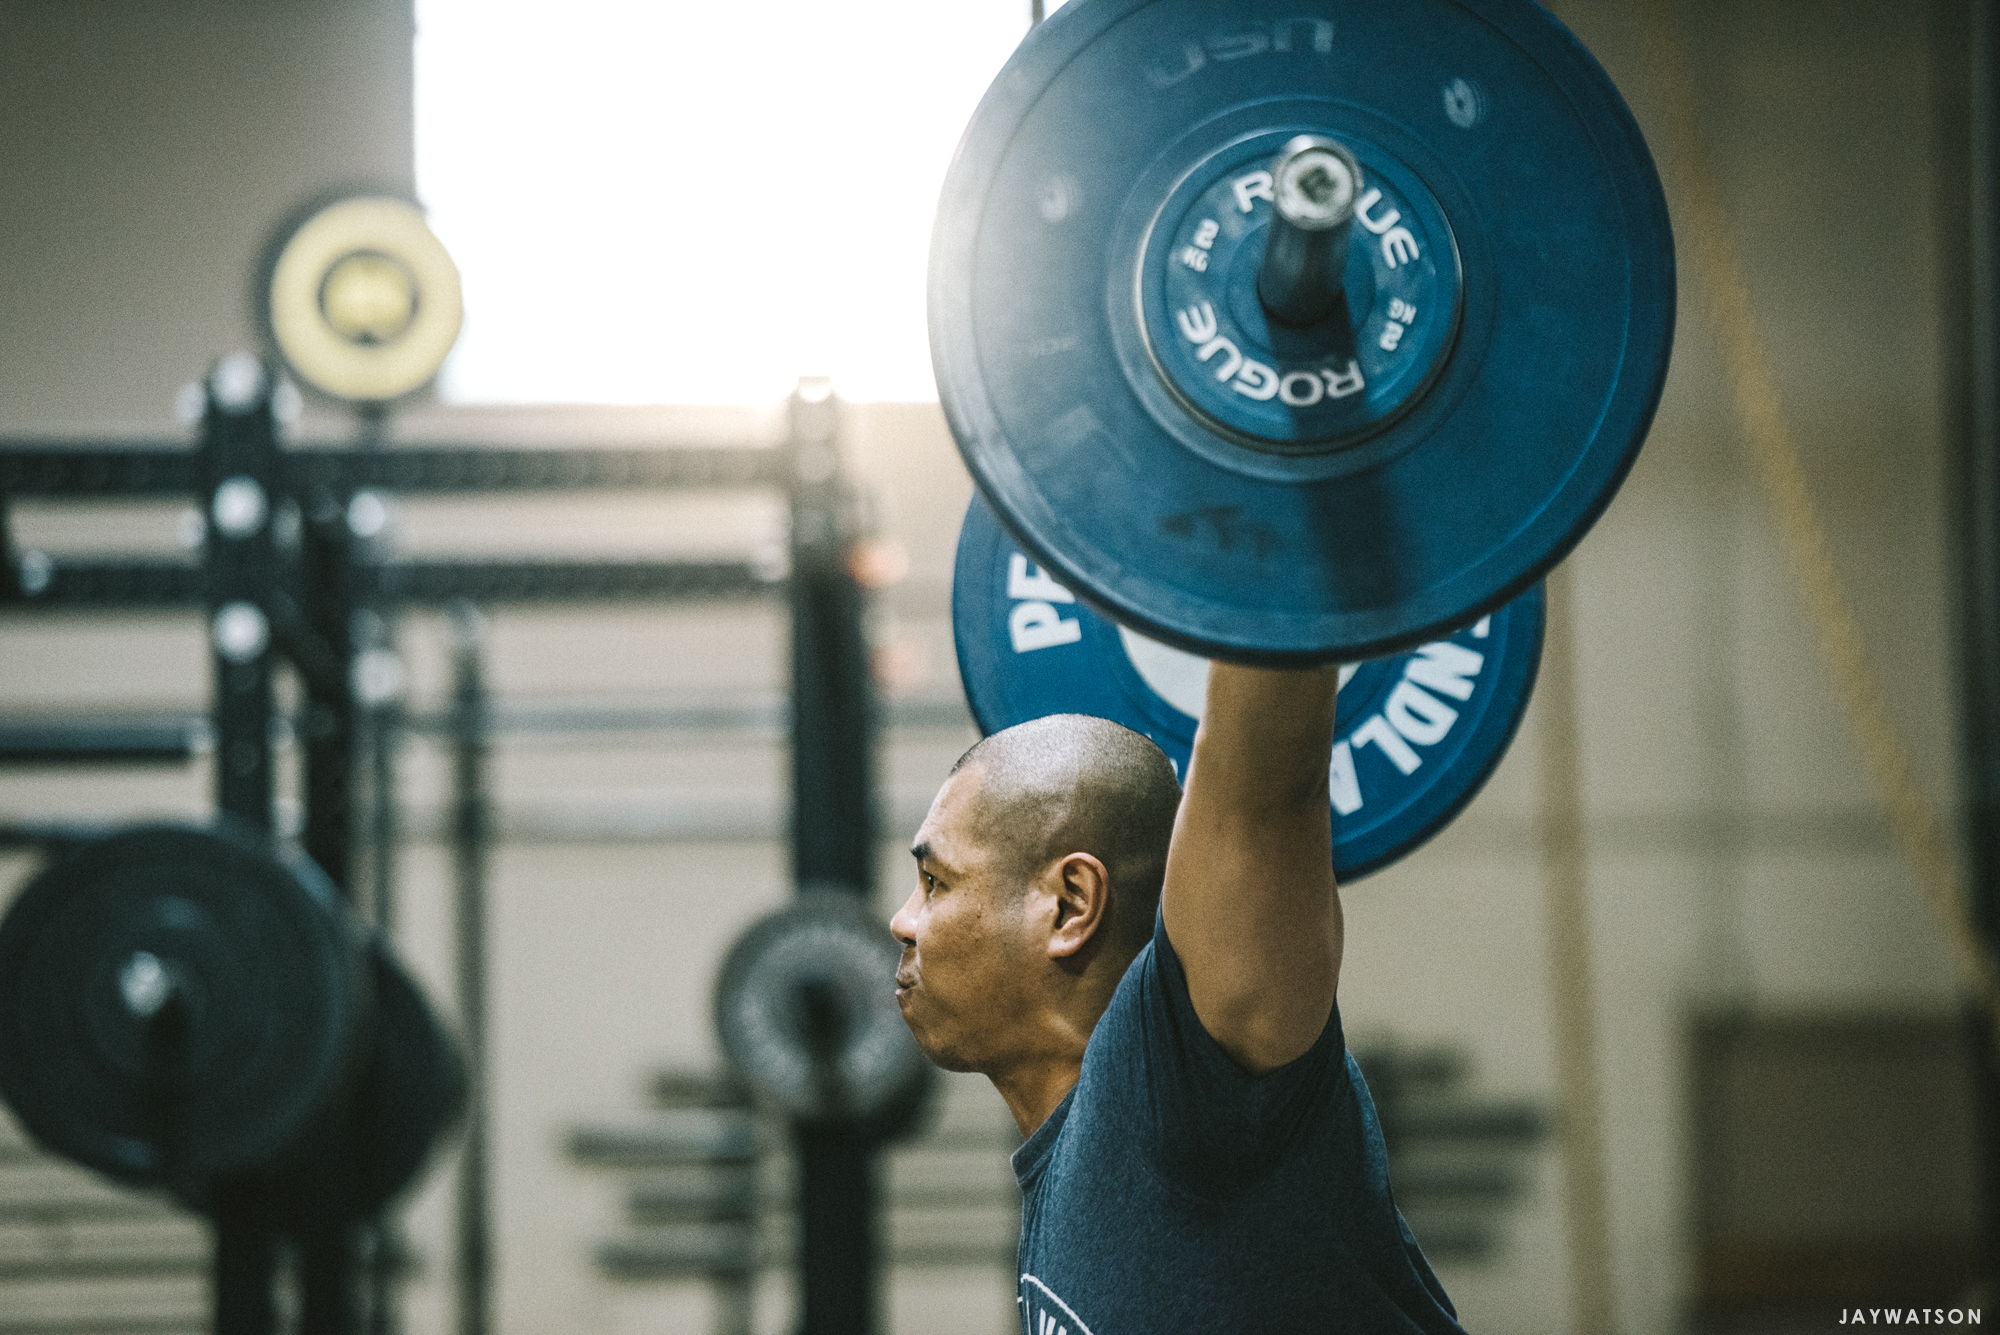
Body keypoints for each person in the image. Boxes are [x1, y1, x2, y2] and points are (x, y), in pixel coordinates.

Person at [890, 663, 1464, 1333]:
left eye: (935, 880)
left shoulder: (1181, 1079)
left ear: (1070, 903)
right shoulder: (1066, 1163)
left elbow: (1263, 794)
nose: (902, 919)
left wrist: (1266, 567)